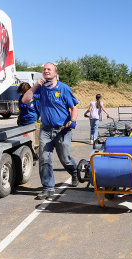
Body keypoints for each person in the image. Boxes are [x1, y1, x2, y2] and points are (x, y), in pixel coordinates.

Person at [23, 62, 79, 200]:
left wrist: (72, 121)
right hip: (45, 130)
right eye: (44, 69)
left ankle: (75, 172)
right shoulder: (40, 88)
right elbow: (25, 100)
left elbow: (74, 107)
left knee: (65, 159)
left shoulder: (64, 88)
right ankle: (48, 187)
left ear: (55, 72)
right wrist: (36, 85)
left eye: (49, 69)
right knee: (44, 159)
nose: (46, 71)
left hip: (62, 130)